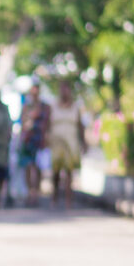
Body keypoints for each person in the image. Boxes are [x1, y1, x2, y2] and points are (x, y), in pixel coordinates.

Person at [48, 80, 85, 208]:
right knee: (56, 171)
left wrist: (84, 141)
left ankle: (69, 199)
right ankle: (55, 197)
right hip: (57, 141)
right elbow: (47, 123)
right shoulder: (53, 106)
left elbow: (80, 125)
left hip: (71, 141)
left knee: (69, 171)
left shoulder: (75, 107)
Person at [19, 81, 51, 206]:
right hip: (28, 139)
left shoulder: (45, 107)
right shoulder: (26, 106)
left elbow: (48, 124)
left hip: (39, 140)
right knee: (27, 166)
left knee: (37, 168)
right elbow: (23, 121)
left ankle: (35, 193)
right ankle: (29, 191)